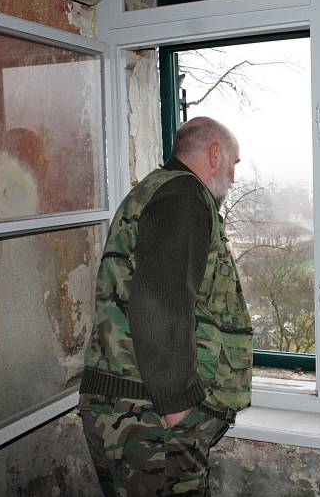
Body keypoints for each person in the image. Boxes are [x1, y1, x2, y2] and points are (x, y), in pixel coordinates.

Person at [79, 116, 253, 496]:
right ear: (214, 153)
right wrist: (177, 405)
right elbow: (160, 302)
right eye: (234, 163)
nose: (234, 177)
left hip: (127, 404)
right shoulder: (183, 197)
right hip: (149, 413)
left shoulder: (155, 191)